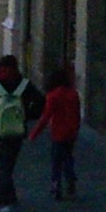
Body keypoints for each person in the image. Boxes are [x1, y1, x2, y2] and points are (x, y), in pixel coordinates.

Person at [0, 55, 41, 212]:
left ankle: (6, 198)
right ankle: (6, 195)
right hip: (17, 132)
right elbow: (41, 103)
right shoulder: (24, 85)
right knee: (8, 164)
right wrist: (25, 116)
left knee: (3, 164)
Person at [33, 62, 84, 202]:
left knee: (56, 161)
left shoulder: (53, 96)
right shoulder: (73, 94)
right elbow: (77, 114)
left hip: (58, 133)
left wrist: (34, 134)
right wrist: (76, 129)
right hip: (71, 133)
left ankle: (56, 186)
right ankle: (71, 180)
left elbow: (46, 117)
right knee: (68, 157)